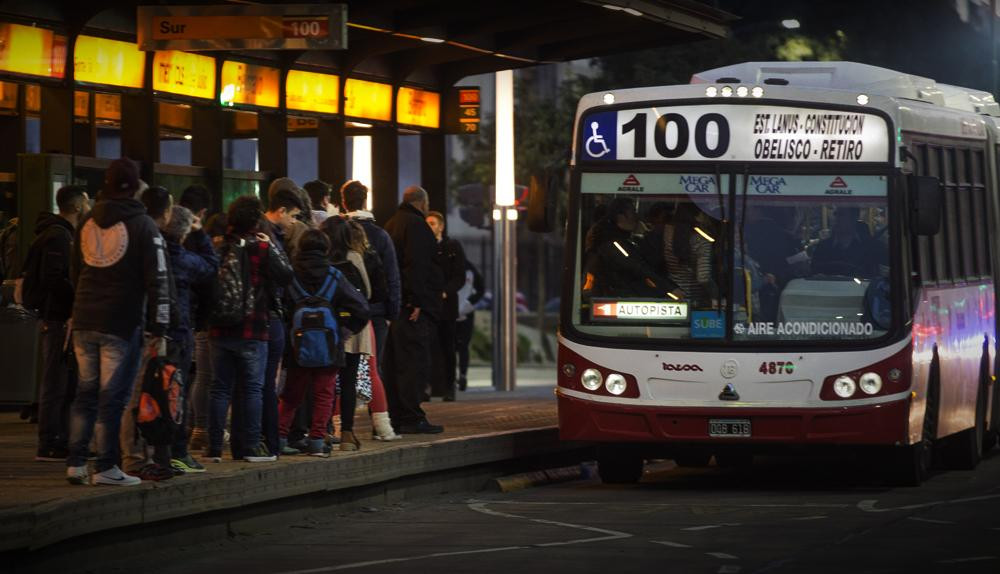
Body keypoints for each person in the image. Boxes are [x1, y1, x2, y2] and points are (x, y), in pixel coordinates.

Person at [66, 158, 170, 486]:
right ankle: (107, 465)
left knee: (85, 393)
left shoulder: (86, 221)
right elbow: (159, 280)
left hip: (84, 317)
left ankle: (76, 461)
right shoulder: (143, 226)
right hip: (120, 321)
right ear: (136, 187)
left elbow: (75, 270)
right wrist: (159, 325)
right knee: (113, 397)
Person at [207, 196, 293, 463]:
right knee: (253, 389)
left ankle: (213, 448)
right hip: (253, 329)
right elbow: (286, 275)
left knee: (219, 389)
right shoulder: (261, 248)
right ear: (256, 220)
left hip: (219, 329)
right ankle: (253, 446)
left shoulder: (217, 245)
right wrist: (271, 247)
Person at [277, 229, 368, 457]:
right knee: (324, 394)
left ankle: (278, 438)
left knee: (291, 395)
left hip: (296, 346)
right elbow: (362, 309)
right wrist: (345, 330)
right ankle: (317, 441)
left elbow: (279, 306)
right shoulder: (334, 276)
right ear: (325, 249)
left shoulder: (290, 275)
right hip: (329, 345)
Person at [24, 185, 89, 461]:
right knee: (55, 381)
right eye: (86, 202)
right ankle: (49, 441)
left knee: (62, 380)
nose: (89, 205)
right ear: (76, 206)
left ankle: (59, 438)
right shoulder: (59, 237)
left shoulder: (60, 234)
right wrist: (79, 296)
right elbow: (54, 278)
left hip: (57, 317)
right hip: (57, 317)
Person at [382, 186, 445, 434]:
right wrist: (416, 301)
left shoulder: (391, 223)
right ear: (422, 202)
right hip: (413, 309)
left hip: (397, 307)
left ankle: (397, 415)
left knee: (396, 363)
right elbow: (416, 265)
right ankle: (412, 416)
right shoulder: (417, 226)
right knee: (414, 363)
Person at [162, 205, 218, 473]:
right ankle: (177, 452)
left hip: (150, 331)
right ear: (185, 232)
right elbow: (211, 265)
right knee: (177, 393)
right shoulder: (183, 259)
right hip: (179, 331)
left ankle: (151, 453)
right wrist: (201, 233)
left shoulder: (152, 254)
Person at [321, 216, 374, 450]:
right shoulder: (353, 257)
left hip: (324, 327)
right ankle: (347, 434)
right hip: (351, 328)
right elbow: (368, 292)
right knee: (349, 379)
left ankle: (321, 430)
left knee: (325, 380)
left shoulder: (321, 258)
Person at [341, 180, 401, 376]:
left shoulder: (336, 232)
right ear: (366, 201)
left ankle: (345, 407)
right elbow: (392, 277)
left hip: (344, 310)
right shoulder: (381, 235)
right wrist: (391, 313)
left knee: (345, 368)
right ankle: (376, 407)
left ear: (343, 202)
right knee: (374, 367)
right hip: (375, 311)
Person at [584, 198, 679, 300]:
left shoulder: (624, 239)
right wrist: (670, 288)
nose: (637, 217)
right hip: (613, 297)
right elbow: (637, 266)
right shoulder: (614, 243)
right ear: (621, 216)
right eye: (633, 212)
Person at [425, 211, 467, 401]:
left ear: (441, 226)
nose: (430, 227)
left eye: (433, 223)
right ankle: (427, 387)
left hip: (447, 305)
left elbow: (460, 276)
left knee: (448, 347)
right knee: (427, 347)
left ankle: (449, 386)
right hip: (428, 304)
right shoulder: (423, 247)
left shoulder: (452, 246)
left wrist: (445, 291)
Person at [811, 206, 880, 278]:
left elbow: (873, 277)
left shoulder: (868, 248)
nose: (836, 219)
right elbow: (813, 273)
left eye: (841, 215)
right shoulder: (823, 247)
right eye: (835, 214)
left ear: (854, 218)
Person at [455, 259, 484, 392]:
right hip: (459, 311)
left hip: (465, 311)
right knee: (460, 347)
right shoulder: (469, 268)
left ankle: (462, 375)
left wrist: (469, 303)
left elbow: (480, 289)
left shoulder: (470, 270)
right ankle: (459, 375)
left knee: (462, 346)